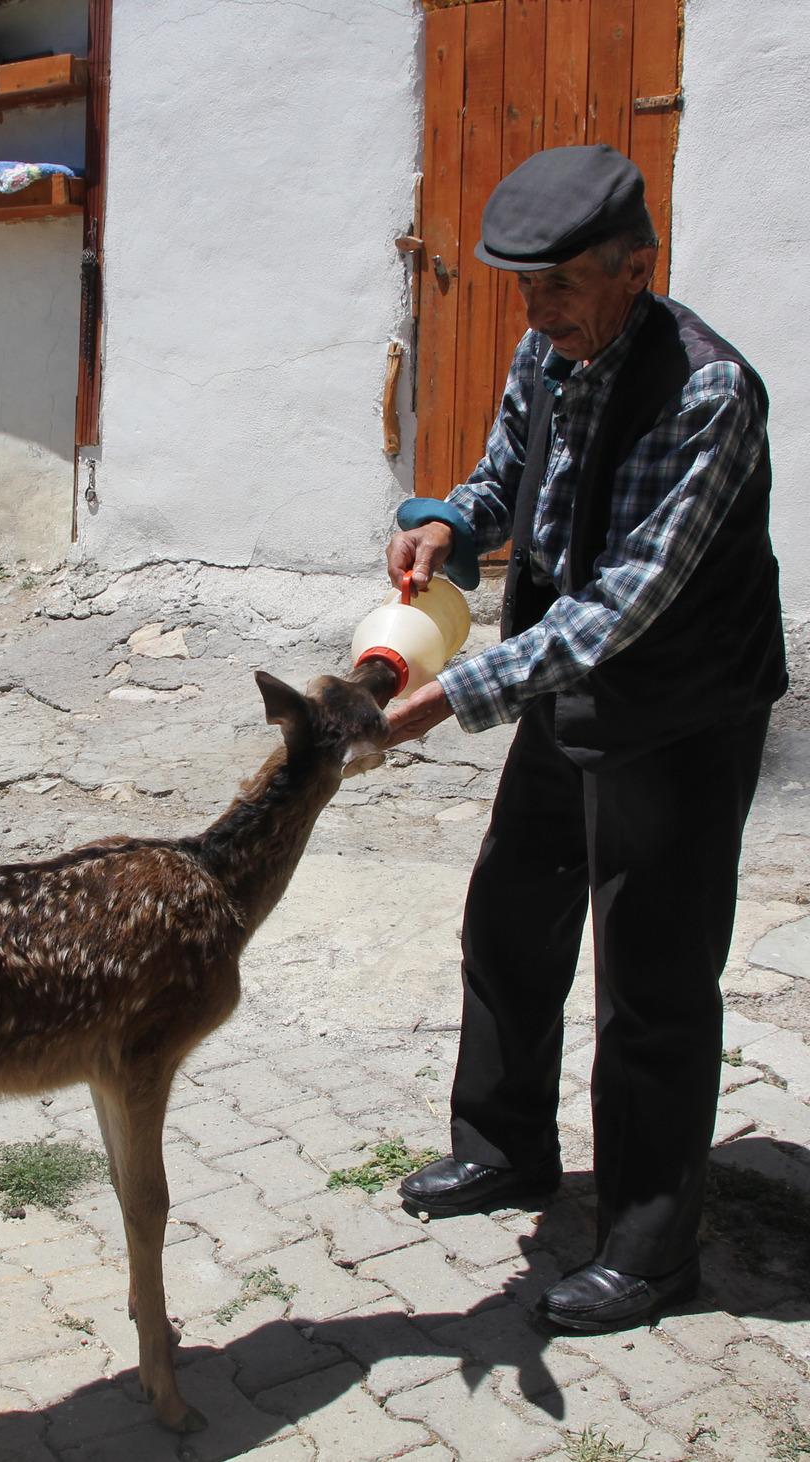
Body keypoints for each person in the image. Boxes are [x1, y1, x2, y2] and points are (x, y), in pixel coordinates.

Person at [383, 143, 786, 1334]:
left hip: (681, 706)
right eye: (521, 285)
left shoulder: (710, 390)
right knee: (513, 907)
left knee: (653, 980)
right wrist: (450, 521)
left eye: (559, 283)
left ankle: (655, 1250)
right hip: (564, 681)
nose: (536, 307)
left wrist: (461, 693)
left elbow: (628, 598)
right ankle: (504, 1147)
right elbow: (511, 471)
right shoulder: (549, 348)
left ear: (635, 266)